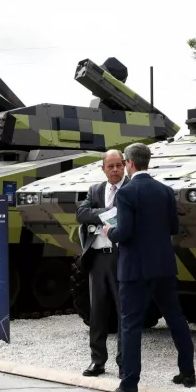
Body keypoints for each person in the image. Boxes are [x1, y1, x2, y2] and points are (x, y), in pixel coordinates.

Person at [99, 142, 195, 392]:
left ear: (129, 163)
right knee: (176, 318)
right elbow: (173, 227)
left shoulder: (126, 193)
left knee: (130, 326)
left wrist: (109, 231)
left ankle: (129, 387)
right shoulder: (165, 191)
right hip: (164, 266)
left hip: (134, 270)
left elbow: (124, 232)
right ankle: (188, 373)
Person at [76, 149, 128, 377]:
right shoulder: (96, 190)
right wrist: (108, 213)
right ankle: (97, 360)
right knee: (97, 312)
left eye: (119, 165)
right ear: (103, 168)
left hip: (121, 257)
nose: (115, 170)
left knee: (123, 311)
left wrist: (98, 215)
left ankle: (124, 363)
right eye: (111, 166)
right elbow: (81, 213)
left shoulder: (131, 189)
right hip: (97, 258)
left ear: (124, 165)